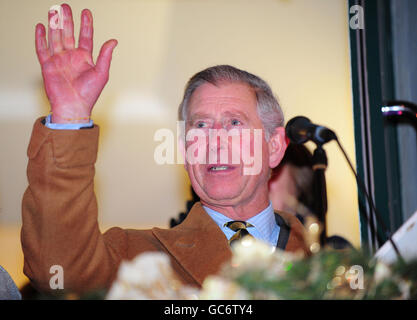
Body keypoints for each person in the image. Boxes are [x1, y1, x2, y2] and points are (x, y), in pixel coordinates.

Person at [21, 4, 308, 294]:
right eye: (201, 127)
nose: (214, 142)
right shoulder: (136, 259)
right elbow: (59, 273)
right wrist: (70, 117)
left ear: (274, 147)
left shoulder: (330, 264)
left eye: (234, 123)